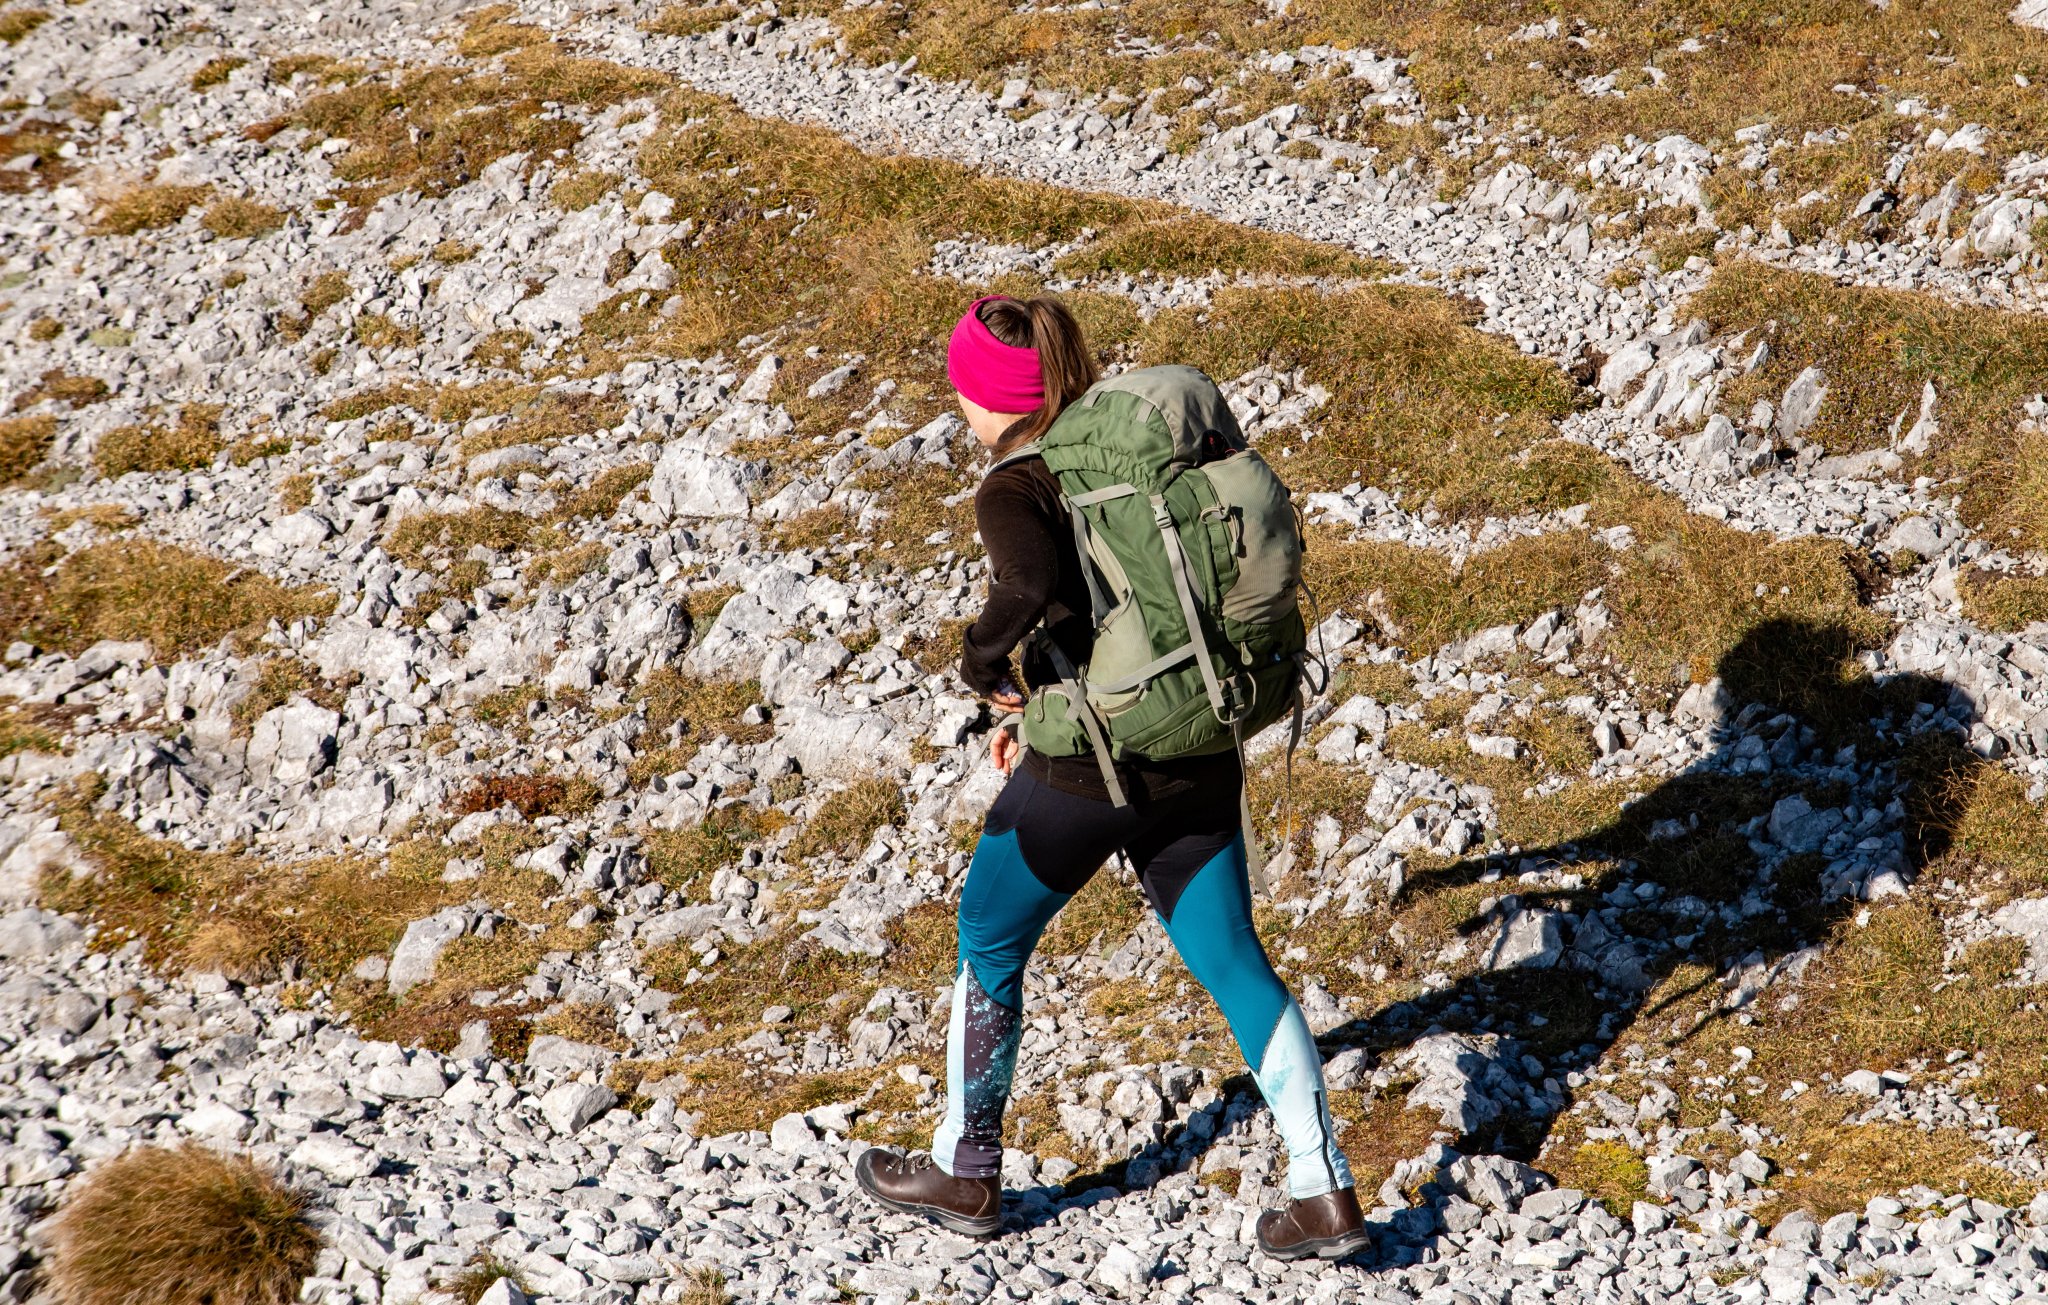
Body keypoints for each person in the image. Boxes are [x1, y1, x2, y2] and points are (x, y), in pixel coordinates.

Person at [853, 294, 1368, 1262]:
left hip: (1088, 768)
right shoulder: (1116, 454)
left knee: (986, 932)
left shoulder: (1014, 485)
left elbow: (1028, 589)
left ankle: (965, 1170)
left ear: (983, 396)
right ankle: (1322, 1186)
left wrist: (979, 667)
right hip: (1194, 749)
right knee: (1231, 961)